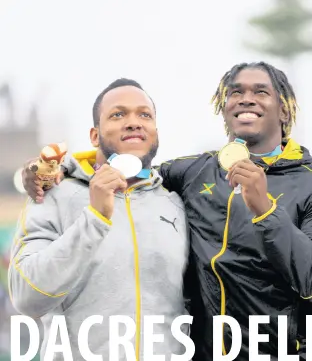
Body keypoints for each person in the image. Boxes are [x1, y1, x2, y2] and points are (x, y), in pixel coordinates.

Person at [23, 62, 312, 360]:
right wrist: (55, 169)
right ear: (225, 111)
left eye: (260, 91)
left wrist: (266, 211)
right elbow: (134, 165)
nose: (245, 98)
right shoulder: (195, 172)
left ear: (284, 111)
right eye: (235, 92)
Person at [10, 78, 190, 360]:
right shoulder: (53, 194)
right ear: (94, 136)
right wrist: (95, 217)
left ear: (155, 131)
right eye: (118, 114)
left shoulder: (176, 202)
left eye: (145, 114)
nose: (133, 122)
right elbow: (26, 296)